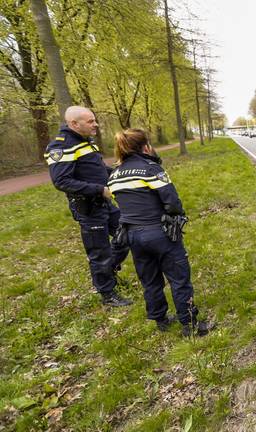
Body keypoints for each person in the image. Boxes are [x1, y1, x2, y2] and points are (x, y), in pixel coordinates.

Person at [107, 128, 214, 336]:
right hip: (159, 233)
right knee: (179, 278)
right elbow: (172, 202)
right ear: (145, 146)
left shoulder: (115, 174)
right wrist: (177, 216)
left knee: (150, 280)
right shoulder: (151, 169)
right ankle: (190, 325)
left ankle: (161, 320)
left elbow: (119, 202)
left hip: (132, 236)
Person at [45, 106, 131, 307]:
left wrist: (121, 173)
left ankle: (109, 272)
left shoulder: (85, 142)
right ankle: (107, 294)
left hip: (104, 203)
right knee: (99, 252)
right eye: (90, 122)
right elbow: (62, 181)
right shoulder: (60, 147)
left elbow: (99, 169)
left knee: (126, 234)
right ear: (74, 124)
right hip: (89, 208)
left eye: (94, 120)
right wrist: (99, 190)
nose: (96, 125)